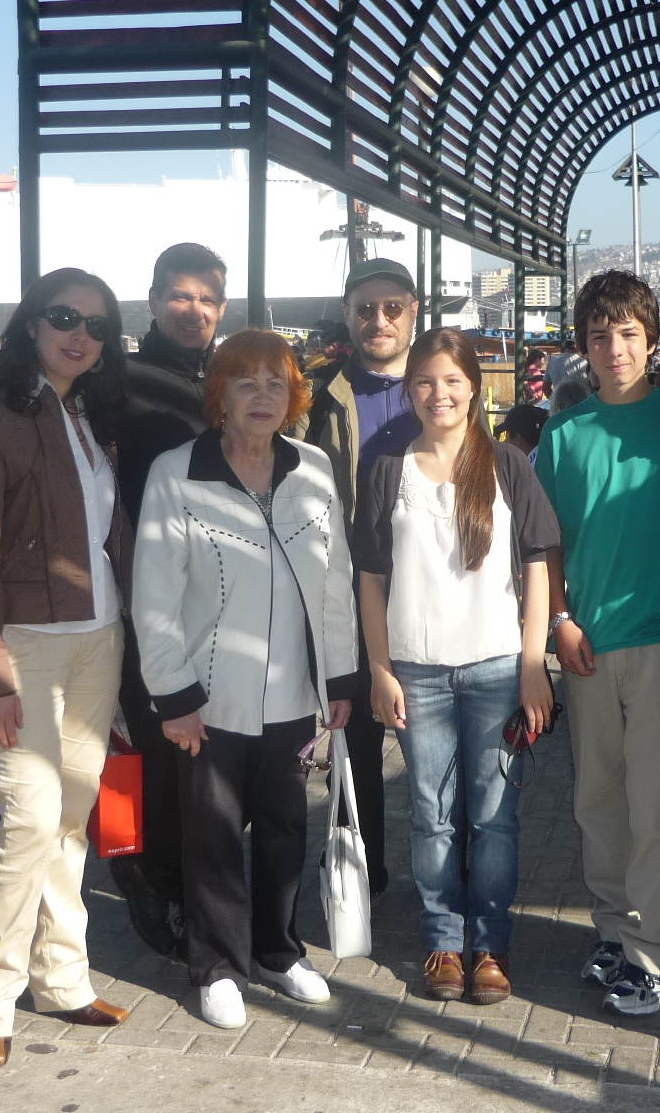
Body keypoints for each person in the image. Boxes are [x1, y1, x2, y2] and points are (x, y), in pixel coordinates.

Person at [133, 329, 357, 1031]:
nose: (262, 395)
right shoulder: (177, 472)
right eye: (245, 381)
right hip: (209, 696)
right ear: (220, 395)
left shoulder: (313, 468)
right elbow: (154, 594)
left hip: (293, 690)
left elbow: (336, 582)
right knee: (212, 834)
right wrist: (173, 696)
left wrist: (340, 677)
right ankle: (218, 967)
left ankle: (278, 950)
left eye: (275, 382)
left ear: (294, 396)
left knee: (286, 828)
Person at [0, 268, 135, 1069]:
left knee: (70, 817)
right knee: (28, 817)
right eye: (64, 317)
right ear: (31, 324)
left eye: (97, 325)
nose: (80, 334)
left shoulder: (89, 417)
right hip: (21, 645)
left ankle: (62, 979)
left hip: (98, 639)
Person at [536, 270, 660, 1016]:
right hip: (587, 644)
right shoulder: (563, 432)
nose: (614, 348)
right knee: (597, 801)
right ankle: (615, 933)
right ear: (582, 346)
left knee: (657, 805)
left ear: (652, 341)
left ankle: (658, 956)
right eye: (599, 336)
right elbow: (547, 541)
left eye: (627, 334)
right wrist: (560, 620)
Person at [354, 328, 560, 1005]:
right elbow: (370, 578)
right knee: (431, 815)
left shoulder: (506, 465)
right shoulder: (387, 468)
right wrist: (379, 668)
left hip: (497, 669)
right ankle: (443, 940)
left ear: (473, 387)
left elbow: (537, 566)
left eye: (450, 380)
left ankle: (490, 944)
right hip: (417, 673)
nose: (437, 394)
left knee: (494, 818)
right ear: (408, 390)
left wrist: (534, 664)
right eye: (423, 381)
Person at [109, 242, 228, 958]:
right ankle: (148, 882)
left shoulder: (225, 380)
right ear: (152, 301)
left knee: (204, 752)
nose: (193, 311)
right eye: (180, 296)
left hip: (215, 605)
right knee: (144, 751)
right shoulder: (116, 385)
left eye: (207, 299)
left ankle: (192, 881)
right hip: (139, 602)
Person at [295, 256, 426, 898]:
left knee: (438, 745)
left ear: (413, 313)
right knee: (356, 742)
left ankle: (449, 883)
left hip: (427, 592)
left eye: (392, 307)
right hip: (346, 594)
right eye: (366, 308)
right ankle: (361, 875)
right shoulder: (315, 397)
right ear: (347, 314)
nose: (380, 320)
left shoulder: (443, 384)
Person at [546, 337, 589, 405]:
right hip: (579, 404)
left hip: (560, 405)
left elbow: (546, 388)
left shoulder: (552, 360)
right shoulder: (582, 362)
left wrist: (555, 402)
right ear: (577, 345)